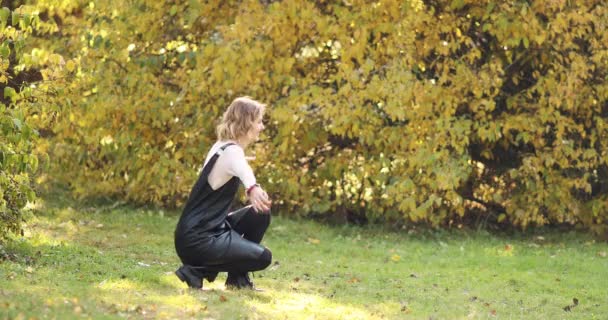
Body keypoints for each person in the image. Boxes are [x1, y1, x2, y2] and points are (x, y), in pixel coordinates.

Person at [174, 97, 273, 290]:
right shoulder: (231, 151)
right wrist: (252, 188)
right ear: (246, 122)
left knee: (260, 212)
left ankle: (237, 280)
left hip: (205, 230)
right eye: (259, 121)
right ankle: (196, 270)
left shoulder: (223, 146)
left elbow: (239, 164)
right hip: (199, 238)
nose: (262, 127)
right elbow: (243, 170)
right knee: (263, 257)